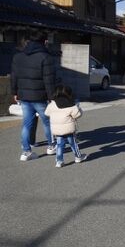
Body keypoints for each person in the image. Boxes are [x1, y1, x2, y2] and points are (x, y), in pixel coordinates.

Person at [10, 31, 56, 161]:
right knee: (48, 122)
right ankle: (51, 146)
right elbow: (49, 80)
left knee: (26, 124)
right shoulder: (45, 57)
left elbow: (14, 77)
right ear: (45, 41)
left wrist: (15, 92)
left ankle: (26, 152)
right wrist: (52, 97)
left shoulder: (18, 56)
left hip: (24, 96)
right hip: (40, 96)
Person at [44, 85, 87, 167]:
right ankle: (78, 157)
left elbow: (46, 113)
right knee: (73, 143)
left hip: (57, 130)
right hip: (69, 129)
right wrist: (79, 108)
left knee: (59, 144)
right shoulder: (71, 103)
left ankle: (59, 161)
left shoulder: (52, 104)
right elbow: (77, 115)